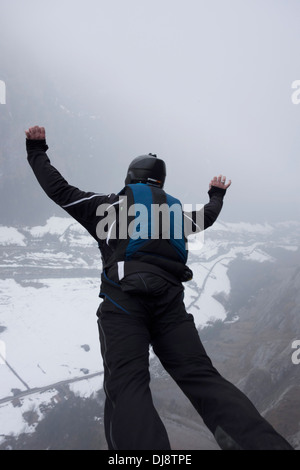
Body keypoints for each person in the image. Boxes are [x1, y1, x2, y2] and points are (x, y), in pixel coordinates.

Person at [25, 125, 293, 451]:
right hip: (171, 304)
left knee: (128, 384)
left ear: (130, 178)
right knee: (201, 377)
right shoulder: (177, 213)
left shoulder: (110, 206)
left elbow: (59, 190)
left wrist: (36, 150)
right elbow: (207, 216)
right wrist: (216, 194)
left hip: (124, 300)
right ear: (161, 183)